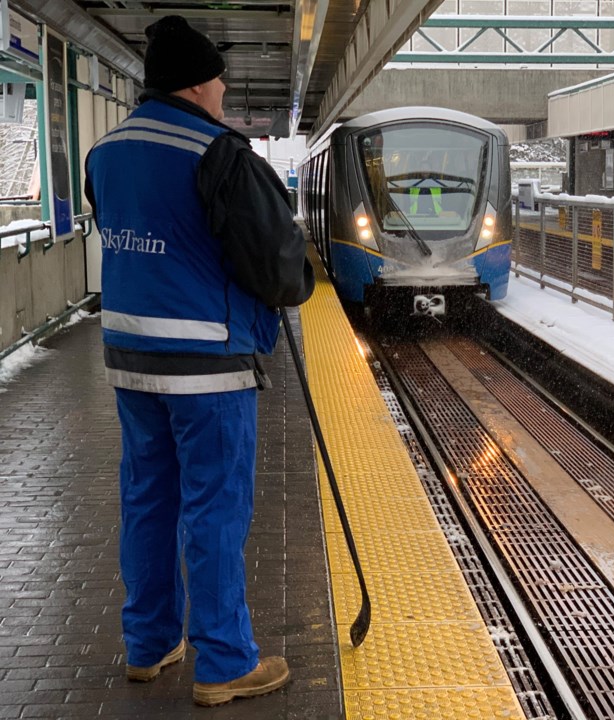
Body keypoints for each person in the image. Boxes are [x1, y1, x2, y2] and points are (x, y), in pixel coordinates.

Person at [84, 15, 314, 707]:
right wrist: (288, 290)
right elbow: (279, 264)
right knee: (215, 508)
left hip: (130, 358)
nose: (222, 92)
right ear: (194, 83)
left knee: (147, 500)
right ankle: (224, 663)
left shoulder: (105, 151)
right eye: (217, 80)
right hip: (207, 363)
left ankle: (149, 645)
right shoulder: (218, 152)